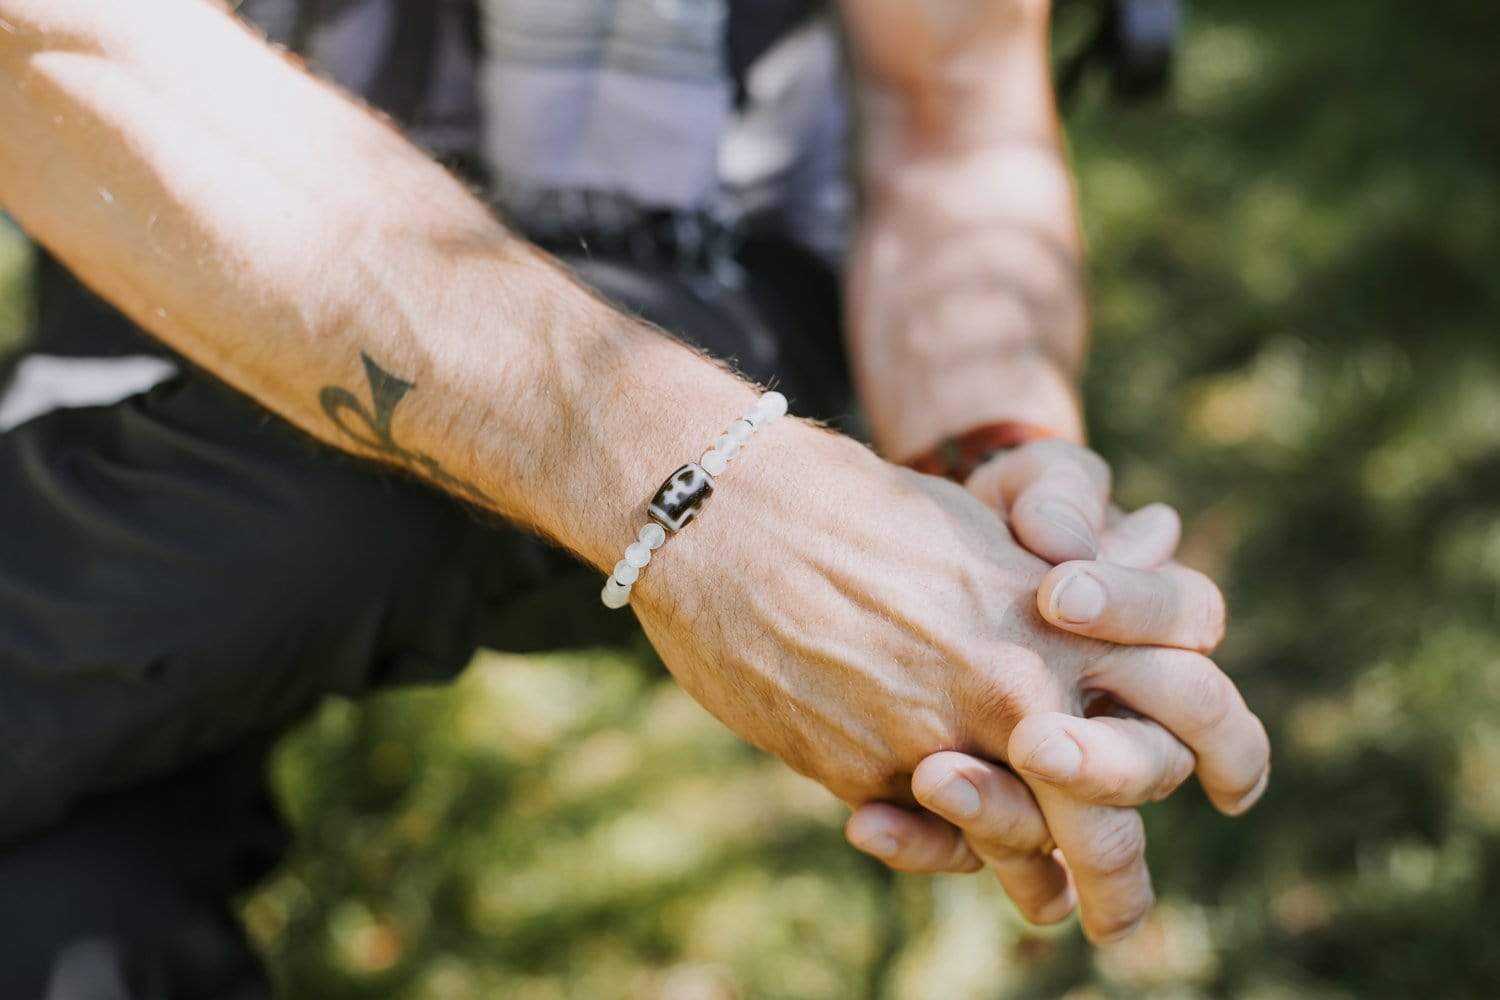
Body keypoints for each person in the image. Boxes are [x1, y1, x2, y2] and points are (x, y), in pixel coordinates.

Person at [0, 0, 1268, 995]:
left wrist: (990, 473)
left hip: (709, 315)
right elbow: (65, 60)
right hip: (184, 266)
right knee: (52, 906)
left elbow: (947, 113)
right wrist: (707, 498)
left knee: (297, 523)